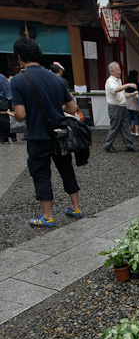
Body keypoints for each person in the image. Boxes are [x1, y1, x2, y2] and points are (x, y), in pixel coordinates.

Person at [10, 37, 83, 227]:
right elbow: (72, 108)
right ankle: (75, 207)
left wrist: (15, 114)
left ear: (19, 56)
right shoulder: (56, 79)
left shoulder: (18, 80)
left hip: (37, 136)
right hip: (59, 134)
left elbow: (20, 114)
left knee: (41, 173)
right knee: (66, 169)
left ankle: (48, 216)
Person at [104, 62, 138, 153]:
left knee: (125, 126)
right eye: (117, 70)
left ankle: (128, 145)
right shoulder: (110, 81)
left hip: (122, 106)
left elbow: (121, 94)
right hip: (115, 107)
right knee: (115, 126)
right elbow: (116, 90)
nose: (119, 72)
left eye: (120, 70)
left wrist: (131, 94)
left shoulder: (118, 80)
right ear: (111, 72)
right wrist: (129, 85)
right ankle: (108, 144)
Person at [125, 70, 139, 136]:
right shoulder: (135, 84)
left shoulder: (126, 83)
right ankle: (137, 131)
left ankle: (130, 130)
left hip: (127, 101)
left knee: (129, 117)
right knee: (136, 117)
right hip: (134, 101)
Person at [0, 72, 15, 143]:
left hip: (2, 100)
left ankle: (4, 136)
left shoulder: (1, 77)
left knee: (4, 119)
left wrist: (9, 100)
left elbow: (7, 90)